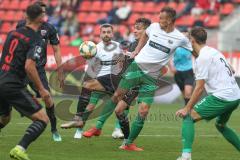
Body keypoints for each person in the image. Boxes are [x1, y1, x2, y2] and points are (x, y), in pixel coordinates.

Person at [92, 6, 193, 151]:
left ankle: (128, 143)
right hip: (136, 68)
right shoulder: (154, 27)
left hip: (151, 76)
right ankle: (98, 126)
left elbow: (196, 49)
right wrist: (137, 50)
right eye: (158, 17)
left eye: (162, 19)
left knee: (144, 111)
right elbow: (145, 34)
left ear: (170, 20)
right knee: (117, 96)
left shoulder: (180, 38)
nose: (158, 21)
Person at [176, 27, 240, 160]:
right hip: (235, 96)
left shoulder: (203, 58)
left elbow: (199, 88)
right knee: (221, 125)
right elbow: (232, 69)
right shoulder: (213, 51)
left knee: (188, 117)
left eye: (188, 40)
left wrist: (187, 108)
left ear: (192, 40)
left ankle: (186, 156)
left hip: (222, 97)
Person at [0, 4, 50, 160]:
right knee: (42, 119)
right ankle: (20, 148)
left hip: (1, 79)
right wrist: (42, 89)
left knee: (5, 119)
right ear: (41, 18)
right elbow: (29, 66)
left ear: (26, 16)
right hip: (13, 84)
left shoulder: (12, 33)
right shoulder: (36, 40)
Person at [61, 24, 125, 139]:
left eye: (108, 32)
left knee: (124, 103)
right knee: (89, 107)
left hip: (114, 80)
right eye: (104, 32)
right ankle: (79, 129)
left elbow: (121, 62)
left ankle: (118, 129)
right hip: (100, 81)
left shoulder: (118, 46)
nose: (106, 34)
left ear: (112, 33)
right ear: (100, 34)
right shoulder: (94, 49)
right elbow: (90, 69)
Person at [16, 1, 63, 142]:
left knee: (48, 98)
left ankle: (54, 129)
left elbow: (56, 49)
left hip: (38, 70)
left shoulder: (49, 28)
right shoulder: (21, 25)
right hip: (22, 69)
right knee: (9, 95)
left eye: (43, 12)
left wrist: (60, 71)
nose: (42, 14)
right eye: (39, 12)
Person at [169, 27, 194, 105]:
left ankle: (188, 110)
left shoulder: (191, 45)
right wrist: (171, 67)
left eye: (185, 34)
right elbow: (169, 57)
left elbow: (197, 55)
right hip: (178, 72)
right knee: (184, 94)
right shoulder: (174, 45)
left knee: (188, 92)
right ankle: (187, 108)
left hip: (188, 71)